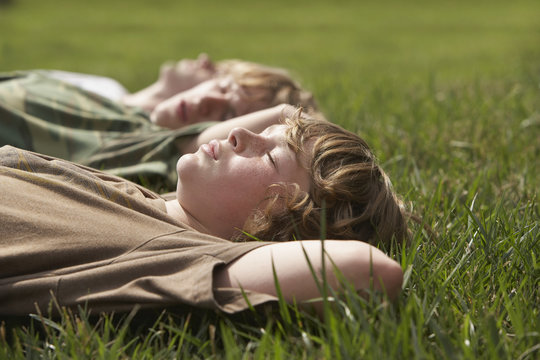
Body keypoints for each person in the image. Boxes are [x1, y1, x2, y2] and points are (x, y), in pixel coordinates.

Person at [0, 105, 407, 317]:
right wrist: (289, 121)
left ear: (273, 226)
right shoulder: (146, 201)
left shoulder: (172, 255)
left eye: (269, 158)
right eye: (262, 134)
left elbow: (370, 272)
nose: (238, 134)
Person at [0, 55, 315, 187]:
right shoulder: (104, 90)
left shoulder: (141, 143)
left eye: (227, 116)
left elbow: (189, 145)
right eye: (222, 86)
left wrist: (292, 116)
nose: (209, 101)